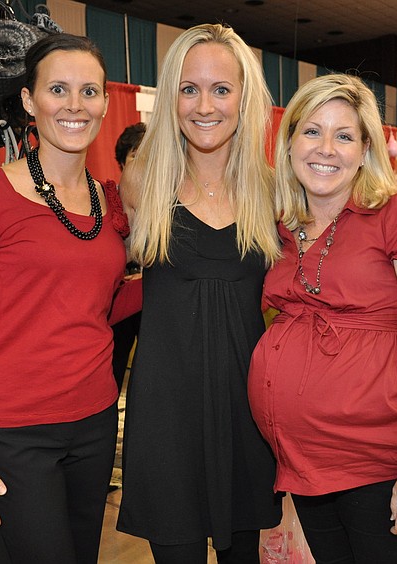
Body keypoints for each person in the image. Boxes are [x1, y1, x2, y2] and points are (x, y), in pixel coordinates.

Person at [0, 34, 139, 563]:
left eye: (89, 91)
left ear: (103, 103)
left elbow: (95, 307)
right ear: (29, 101)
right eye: (58, 89)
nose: (75, 105)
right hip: (11, 430)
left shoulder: (109, 201)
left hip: (95, 421)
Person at [248, 74, 397, 563]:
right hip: (305, 467)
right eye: (312, 131)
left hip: (383, 467)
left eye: (344, 136)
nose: (326, 148)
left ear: (365, 149)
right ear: (290, 141)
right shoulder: (278, 224)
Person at [116, 23, 283, 563]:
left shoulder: (272, 188)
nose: (204, 105)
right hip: (167, 410)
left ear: (244, 97)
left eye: (220, 89)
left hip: (248, 407)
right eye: (189, 89)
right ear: (171, 98)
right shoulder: (143, 181)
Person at [108, 122, 146, 393]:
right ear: (122, 161)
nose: (141, 162)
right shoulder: (107, 200)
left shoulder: (166, 203)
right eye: (135, 155)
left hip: (150, 295)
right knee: (113, 366)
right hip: (118, 296)